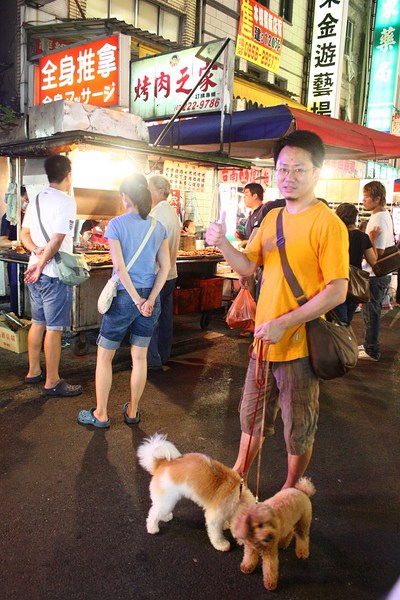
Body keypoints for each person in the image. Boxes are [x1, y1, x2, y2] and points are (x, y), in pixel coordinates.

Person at [206, 130, 349, 488]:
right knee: (250, 419)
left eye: (298, 169)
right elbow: (246, 267)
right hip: (262, 343)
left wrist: (285, 323)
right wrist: (222, 242)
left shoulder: (327, 223)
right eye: (283, 169)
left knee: (298, 429)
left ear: (317, 171)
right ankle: (238, 477)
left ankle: (290, 491)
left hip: (299, 346)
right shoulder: (271, 218)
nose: (288, 177)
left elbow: (337, 291)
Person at [77, 174, 170, 428]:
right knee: (139, 357)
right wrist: (149, 299)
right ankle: (133, 411)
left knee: (105, 357)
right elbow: (166, 267)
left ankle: (102, 414)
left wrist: (136, 298)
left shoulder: (116, 225)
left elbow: (119, 266)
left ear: (125, 197)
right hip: (150, 299)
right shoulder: (156, 226)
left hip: (124, 298)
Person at [20, 155, 82, 397]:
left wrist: (35, 254)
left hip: (34, 271)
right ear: (68, 175)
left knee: (38, 324)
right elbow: (57, 240)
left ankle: (33, 371)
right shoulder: (66, 202)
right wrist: (43, 262)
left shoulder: (35, 199)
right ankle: (52, 381)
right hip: (53, 274)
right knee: (54, 329)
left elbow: (24, 234)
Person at [147, 175, 181, 369]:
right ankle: (164, 354)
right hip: (171, 273)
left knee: (152, 318)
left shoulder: (157, 215)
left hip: (159, 274)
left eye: (150, 189)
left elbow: (152, 248)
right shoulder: (171, 213)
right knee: (165, 317)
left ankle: (152, 359)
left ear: (160, 191)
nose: (147, 193)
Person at [359, 181, 394, 361]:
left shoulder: (379, 217)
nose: (363, 200)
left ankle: (372, 349)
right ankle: (368, 344)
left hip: (375, 275)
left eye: (366, 196)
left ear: (377, 198)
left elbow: (377, 253)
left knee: (371, 312)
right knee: (370, 311)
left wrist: (370, 238)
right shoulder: (381, 215)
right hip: (377, 275)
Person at [332, 203, 377, 325]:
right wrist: (373, 239)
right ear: (355, 217)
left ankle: (340, 342)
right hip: (356, 285)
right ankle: (347, 341)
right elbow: (373, 260)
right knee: (347, 321)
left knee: (338, 322)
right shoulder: (363, 237)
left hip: (336, 281)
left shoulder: (334, 235)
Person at [0, 186, 29, 314]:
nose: (27, 203)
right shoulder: (9, 217)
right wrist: (15, 243)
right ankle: (16, 315)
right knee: (15, 285)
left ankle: (29, 315)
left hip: (30, 256)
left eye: (29, 200)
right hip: (15, 259)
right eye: (25, 199)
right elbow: (1, 241)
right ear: (18, 198)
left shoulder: (30, 216)